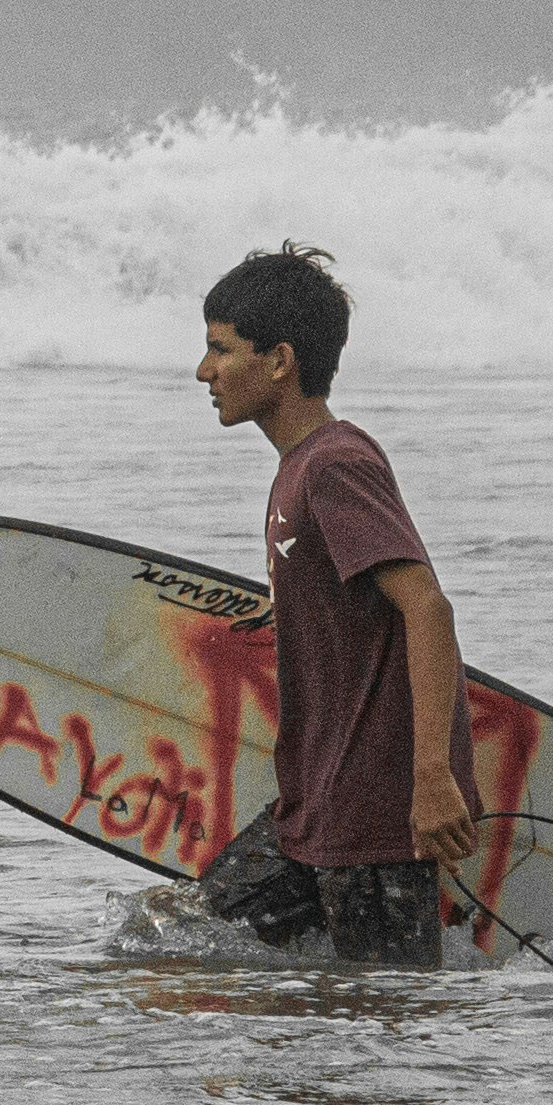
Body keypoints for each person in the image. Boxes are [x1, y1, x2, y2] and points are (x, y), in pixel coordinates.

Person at [187, 245, 477, 966]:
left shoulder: (336, 465)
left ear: (279, 361)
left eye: (219, 350)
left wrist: (433, 780)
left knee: (385, 1025)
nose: (203, 372)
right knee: (177, 941)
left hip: (375, 818)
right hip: (315, 808)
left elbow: (427, 609)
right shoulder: (298, 471)